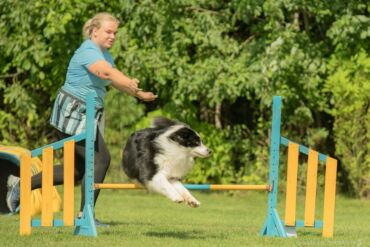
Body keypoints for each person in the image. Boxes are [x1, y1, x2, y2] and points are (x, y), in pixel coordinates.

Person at [6, 12, 157, 226]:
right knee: (101, 159)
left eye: (115, 32)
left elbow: (115, 79)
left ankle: (23, 186)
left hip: (85, 115)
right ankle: (85, 216)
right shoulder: (88, 50)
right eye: (108, 31)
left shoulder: (106, 55)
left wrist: (138, 93)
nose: (113, 36)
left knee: (75, 171)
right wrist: (127, 82)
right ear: (95, 32)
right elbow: (105, 74)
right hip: (73, 113)